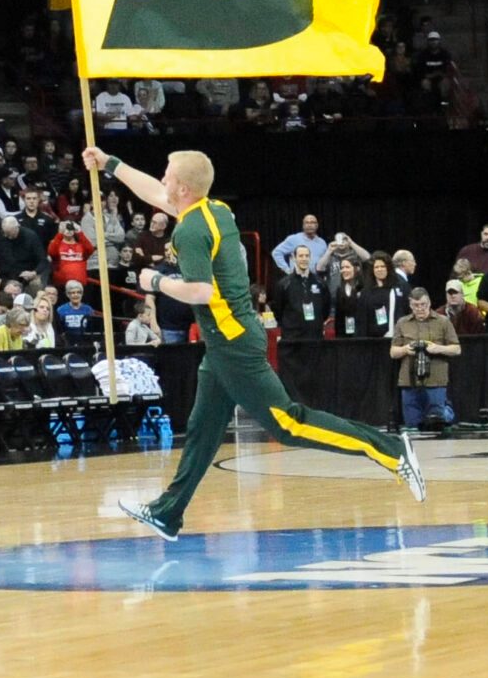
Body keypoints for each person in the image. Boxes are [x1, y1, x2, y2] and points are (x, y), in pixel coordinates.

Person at [85, 145, 422, 538]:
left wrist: (155, 282)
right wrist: (110, 164)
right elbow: (154, 193)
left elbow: (201, 292)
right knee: (203, 428)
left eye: (168, 174)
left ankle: (390, 450)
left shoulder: (191, 229)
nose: (162, 180)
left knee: (287, 424)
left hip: (232, 342)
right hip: (226, 340)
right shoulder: (215, 211)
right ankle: (168, 512)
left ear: (183, 188)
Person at [389, 285, 461, 431]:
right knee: (412, 425)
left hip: (435, 379)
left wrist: (437, 348)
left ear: (429, 303)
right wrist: (405, 349)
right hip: (409, 381)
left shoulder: (443, 321)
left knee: (436, 421)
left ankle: (447, 414)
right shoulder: (402, 323)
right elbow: (393, 352)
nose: (420, 309)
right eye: (416, 305)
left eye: (423, 305)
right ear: (410, 305)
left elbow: (457, 349)